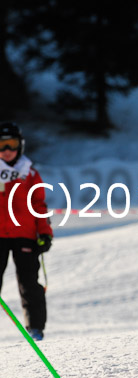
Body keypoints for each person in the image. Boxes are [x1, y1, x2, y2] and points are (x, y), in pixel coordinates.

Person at [0, 122, 53, 341]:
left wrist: (45, 232)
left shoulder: (29, 173)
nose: (7, 151)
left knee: (29, 281)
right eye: (2, 146)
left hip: (25, 234)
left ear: (20, 146)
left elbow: (39, 205)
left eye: (11, 145)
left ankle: (35, 328)